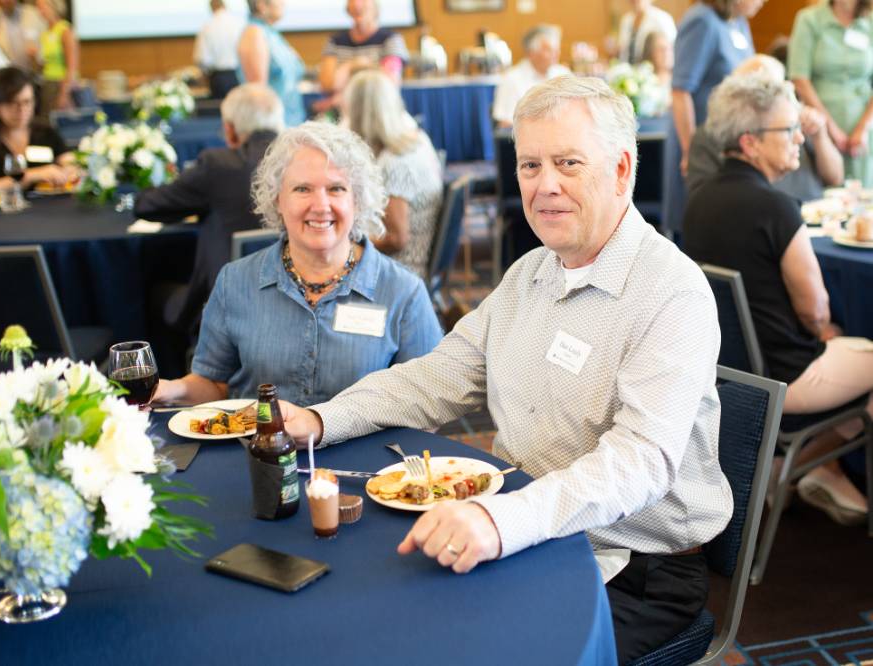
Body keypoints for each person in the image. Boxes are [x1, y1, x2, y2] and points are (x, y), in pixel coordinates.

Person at [280, 77, 733, 664]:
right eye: (529, 166)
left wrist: (501, 521)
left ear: (622, 170)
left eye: (568, 163)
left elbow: (639, 463)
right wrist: (318, 420)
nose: (545, 186)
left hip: (631, 568)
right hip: (527, 530)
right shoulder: (531, 273)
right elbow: (435, 379)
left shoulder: (671, 293)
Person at [683, 73, 871, 525]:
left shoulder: (698, 201)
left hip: (729, 373)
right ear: (750, 143)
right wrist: (825, 330)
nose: (799, 138)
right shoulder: (776, 208)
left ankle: (810, 468)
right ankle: (796, 466)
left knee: (846, 345)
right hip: (785, 377)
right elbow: (815, 309)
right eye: (787, 130)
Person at [151, 121, 442, 407]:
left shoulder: (403, 292)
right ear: (278, 200)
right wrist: (171, 389)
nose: (320, 205)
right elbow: (215, 384)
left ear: (357, 200)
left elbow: (427, 401)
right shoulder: (235, 282)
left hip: (366, 453)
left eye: (336, 189)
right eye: (303, 189)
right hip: (259, 451)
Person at [134, 83, 284, 355]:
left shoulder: (219, 164)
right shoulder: (300, 162)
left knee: (154, 290)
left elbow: (148, 205)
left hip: (225, 307)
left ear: (229, 129)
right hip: (294, 303)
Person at [662, 0, 763, 235]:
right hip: (700, 145)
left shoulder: (738, 22)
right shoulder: (702, 20)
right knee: (697, 227)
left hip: (727, 146)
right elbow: (680, 91)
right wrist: (691, 151)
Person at [687, 55, 844, 200]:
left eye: (779, 90)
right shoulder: (712, 135)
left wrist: (820, 135)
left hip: (819, 213)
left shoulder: (801, 121)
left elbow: (836, 178)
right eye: (762, 94)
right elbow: (704, 201)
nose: (778, 101)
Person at [342, 70, 443, 278]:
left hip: (403, 269)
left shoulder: (394, 164)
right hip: (420, 258)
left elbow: (397, 239)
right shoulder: (419, 140)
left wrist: (346, 248)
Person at [788, 0, 873, 187]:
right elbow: (799, 78)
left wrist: (863, 128)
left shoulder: (870, 22)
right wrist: (829, 128)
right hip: (819, 125)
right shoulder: (809, 19)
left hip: (864, 129)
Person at [0, 66, 72, 198]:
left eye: (27, 102)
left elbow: (73, 166)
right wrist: (35, 175)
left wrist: (67, 172)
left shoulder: (46, 132)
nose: (21, 110)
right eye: (12, 103)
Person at [315, 0, 409, 112]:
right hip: (342, 115)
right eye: (352, 1)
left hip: (379, 111)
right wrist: (354, 64)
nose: (357, 4)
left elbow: (390, 82)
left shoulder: (391, 39)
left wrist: (343, 94)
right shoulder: (334, 41)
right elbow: (327, 84)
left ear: (375, 6)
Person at [238, 0, 306, 127]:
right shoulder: (254, 34)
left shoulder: (270, 32)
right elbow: (258, 94)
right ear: (261, 5)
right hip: (274, 127)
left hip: (291, 123)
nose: (284, 3)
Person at [492, 25, 571, 127]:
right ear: (531, 53)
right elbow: (505, 124)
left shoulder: (563, 74)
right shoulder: (511, 79)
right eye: (549, 50)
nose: (556, 54)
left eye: (556, 49)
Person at [194, 0, 245, 101]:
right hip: (240, 74)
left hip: (219, 77)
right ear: (225, 6)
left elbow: (202, 59)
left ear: (211, 8)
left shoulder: (207, 27)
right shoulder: (240, 23)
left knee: (220, 111)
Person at [36, 0, 79, 113]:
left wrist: (64, 94)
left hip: (61, 85)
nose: (40, 12)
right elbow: (43, 62)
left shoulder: (65, 30)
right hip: (47, 83)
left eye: (42, 8)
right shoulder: (45, 33)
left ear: (53, 8)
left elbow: (71, 67)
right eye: (38, 8)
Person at [0, 0, 46, 71]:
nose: (5, 1)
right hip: (11, 76)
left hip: (37, 72)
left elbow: (46, 41)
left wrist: (37, 56)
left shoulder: (33, 13)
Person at [618, 0, 677, 66]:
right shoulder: (626, 20)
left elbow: (672, 48)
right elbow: (623, 51)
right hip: (629, 71)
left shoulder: (662, 19)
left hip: (652, 71)